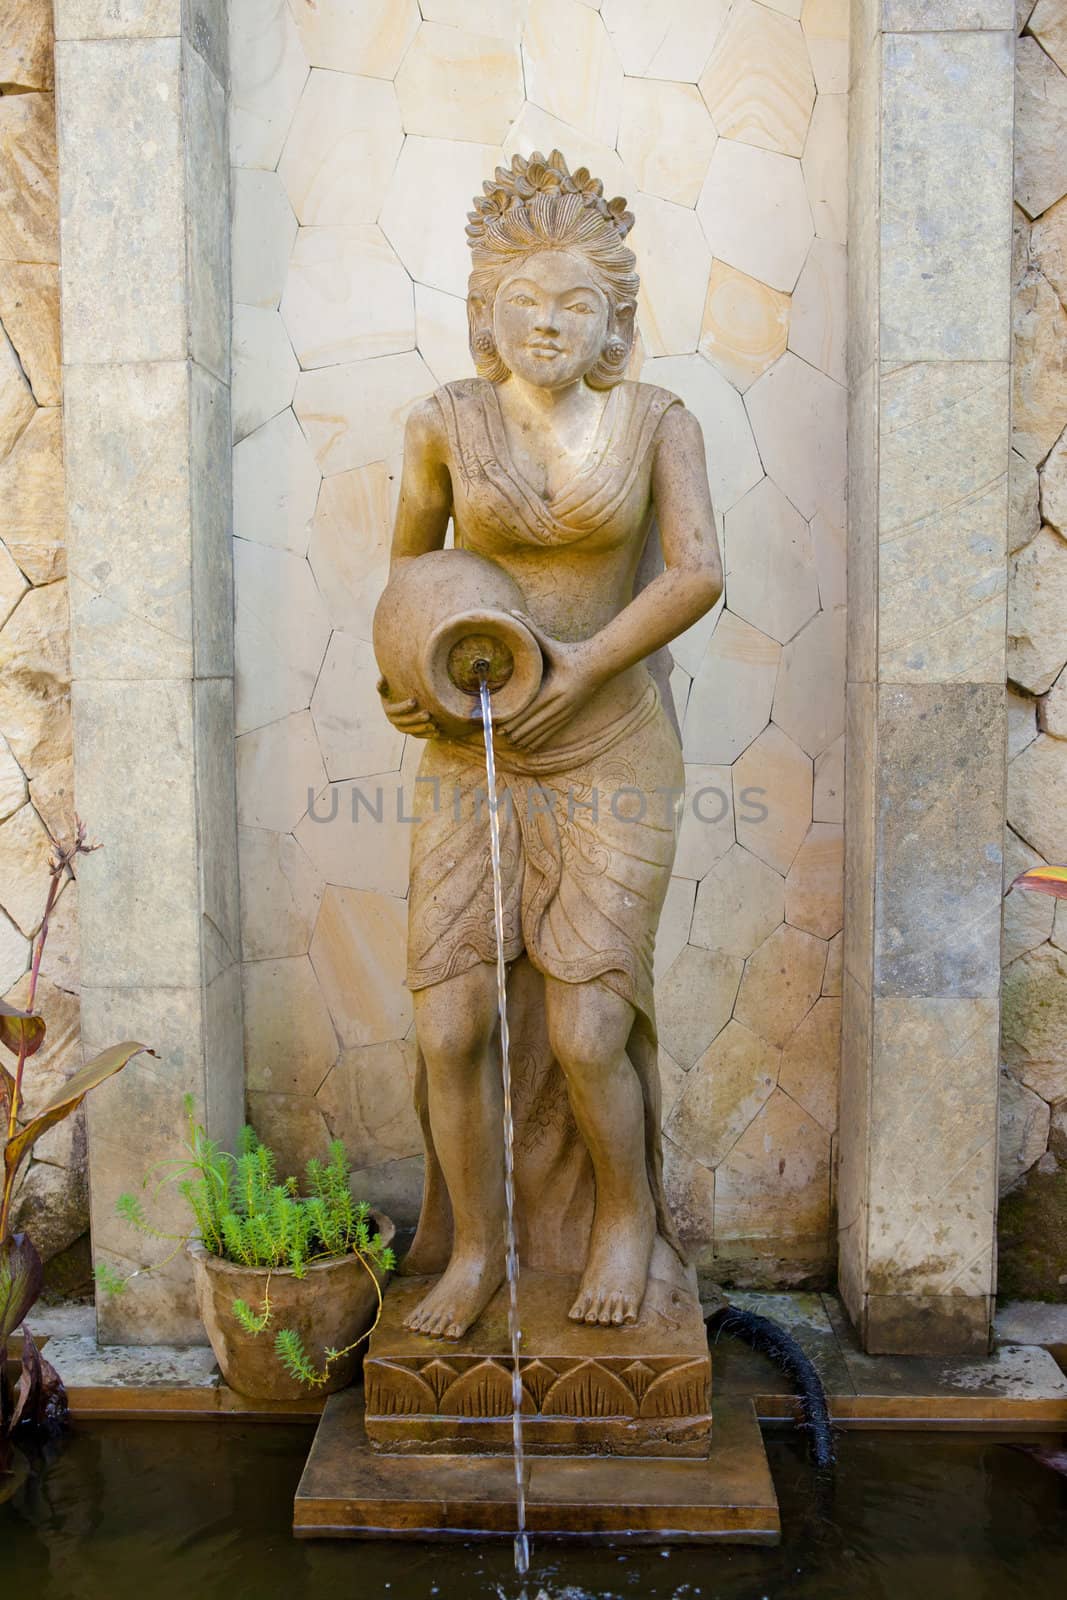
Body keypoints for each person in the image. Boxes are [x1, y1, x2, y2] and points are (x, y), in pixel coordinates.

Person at [376, 150, 723, 1341]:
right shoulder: (441, 425)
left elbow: (697, 572)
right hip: (475, 748)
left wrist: (581, 666)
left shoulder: (656, 421)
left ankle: (625, 1218)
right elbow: (410, 577)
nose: (547, 322)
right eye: (524, 300)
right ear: (485, 314)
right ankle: (477, 1248)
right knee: (446, 1021)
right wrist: (407, 678)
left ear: (614, 321)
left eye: (576, 303)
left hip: (613, 740)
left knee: (584, 1025)